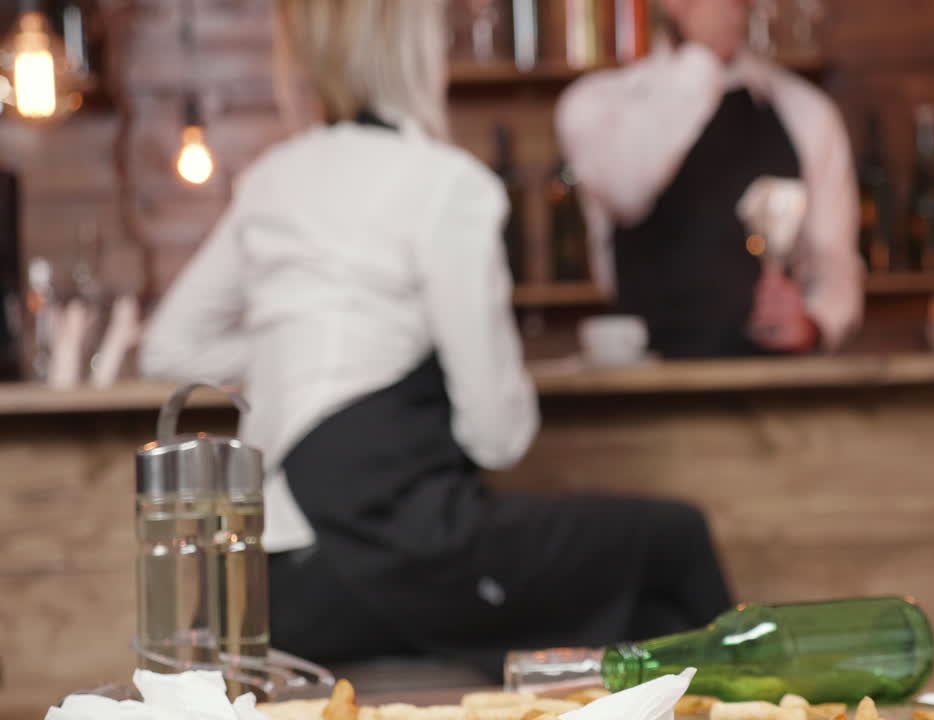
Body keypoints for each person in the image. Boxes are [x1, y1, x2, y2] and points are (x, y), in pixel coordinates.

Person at [140, 0, 731, 677]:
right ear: (420, 56)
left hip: (276, 582)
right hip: (397, 554)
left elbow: (169, 347)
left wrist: (291, 353)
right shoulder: (452, 187)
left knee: (649, 618)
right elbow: (497, 435)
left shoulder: (272, 179)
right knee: (675, 542)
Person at [557, 0, 864, 358]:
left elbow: (836, 265)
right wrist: (704, 56)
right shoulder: (599, 103)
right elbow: (626, 191)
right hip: (646, 389)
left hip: (773, 389)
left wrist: (813, 322)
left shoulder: (806, 112)